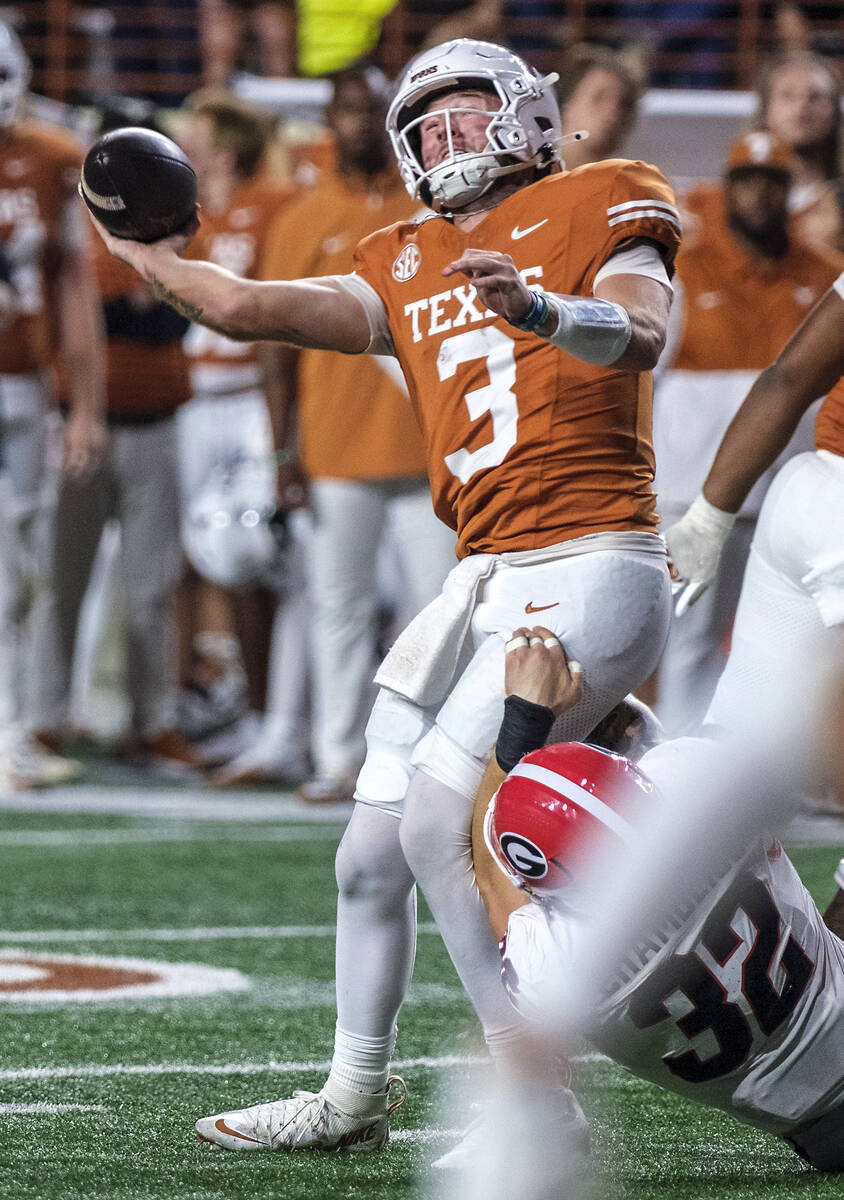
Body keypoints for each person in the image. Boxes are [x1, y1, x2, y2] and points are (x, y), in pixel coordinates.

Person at [89, 38, 680, 1152]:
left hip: (592, 558)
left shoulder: (607, 193)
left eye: (465, 116)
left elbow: (645, 333)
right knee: (365, 857)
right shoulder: (404, 255)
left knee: (434, 830)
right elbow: (250, 304)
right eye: (429, 126)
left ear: (525, 117)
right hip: (485, 576)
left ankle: (536, 1103)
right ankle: (355, 1095)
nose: (442, 141)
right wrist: (146, 254)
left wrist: (544, 310)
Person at [471, 629, 844, 1180]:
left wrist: (520, 723)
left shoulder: (551, 964)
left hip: (824, 1137)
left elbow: (489, 873)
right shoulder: (685, 775)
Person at [256, 65, 456, 802]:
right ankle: (337, 756)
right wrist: (283, 450)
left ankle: (424, 761)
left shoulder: (433, 210)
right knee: (335, 609)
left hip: (428, 448)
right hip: (336, 450)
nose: (358, 123)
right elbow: (272, 348)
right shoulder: (301, 218)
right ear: (328, 118)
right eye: (345, 109)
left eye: (371, 110)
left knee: (439, 611)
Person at [665, 266, 844, 943]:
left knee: (731, 757)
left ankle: (633, 956)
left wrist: (711, 513)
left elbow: (789, 375)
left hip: (806, 490)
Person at [652, 131, 843, 733]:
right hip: (696, 488)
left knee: (784, 658)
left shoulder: (823, 272)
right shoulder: (682, 269)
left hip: (785, 489)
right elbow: (644, 377)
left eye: (772, 183)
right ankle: (676, 755)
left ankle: (779, 778)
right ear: (726, 189)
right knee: (688, 638)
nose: (758, 195)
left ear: (789, 193)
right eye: (746, 181)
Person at [30, 107, 200, 771]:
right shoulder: (74, 224)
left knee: (150, 586)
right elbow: (71, 316)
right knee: (56, 582)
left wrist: (125, 309)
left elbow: (174, 323)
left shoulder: (174, 221)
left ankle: (149, 721)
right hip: (74, 422)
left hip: (155, 423)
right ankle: (41, 719)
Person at [176, 89, 301, 769]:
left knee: (254, 554)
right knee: (197, 553)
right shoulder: (187, 208)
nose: (182, 142)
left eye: (194, 133)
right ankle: (203, 699)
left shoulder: (276, 202)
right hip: (193, 399)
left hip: (252, 397)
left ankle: (266, 712)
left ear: (224, 146)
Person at [0, 22, 107, 788]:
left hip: (21, 383)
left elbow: (75, 285)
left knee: (21, 569)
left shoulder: (48, 157)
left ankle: (11, 726)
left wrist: (87, 407)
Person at [554, 42, 647, 171]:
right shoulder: (524, 178)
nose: (614, 113)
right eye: (599, 97)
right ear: (567, 104)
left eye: (625, 104)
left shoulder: (634, 185)